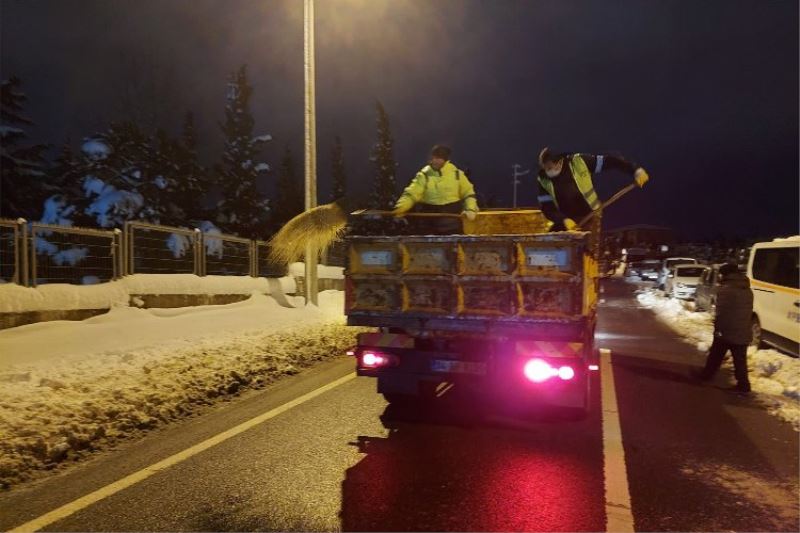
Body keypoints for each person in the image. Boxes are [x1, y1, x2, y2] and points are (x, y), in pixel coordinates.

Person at [536, 147, 650, 231]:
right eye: (545, 168)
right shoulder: (543, 179)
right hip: (567, 222)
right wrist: (563, 220)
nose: (548, 171)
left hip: (590, 216)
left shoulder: (579, 162)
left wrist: (635, 170)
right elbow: (547, 208)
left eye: (550, 167)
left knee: (583, 250)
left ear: (559, 162)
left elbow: (611, 161)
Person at [696, 263, 753, 393]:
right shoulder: (746, 288)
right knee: (740, 360)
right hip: (743, 329)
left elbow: (722, 312)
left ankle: (706, 375)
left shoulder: (726, 290)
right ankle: (744, 386)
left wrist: (718, 329)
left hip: (727, 331)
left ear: (726, 275)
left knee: (715, 355)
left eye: (721, 274)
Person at [393, 144, 479, 221]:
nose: (434, 161)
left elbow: (468, 194)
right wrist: (400, 208)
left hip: (452, 220)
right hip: (429, 220)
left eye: (438, 158)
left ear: (445, 160)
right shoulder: (424, 175)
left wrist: (470, 209)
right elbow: (411, 194)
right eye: (433, 158)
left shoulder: (457, 175)